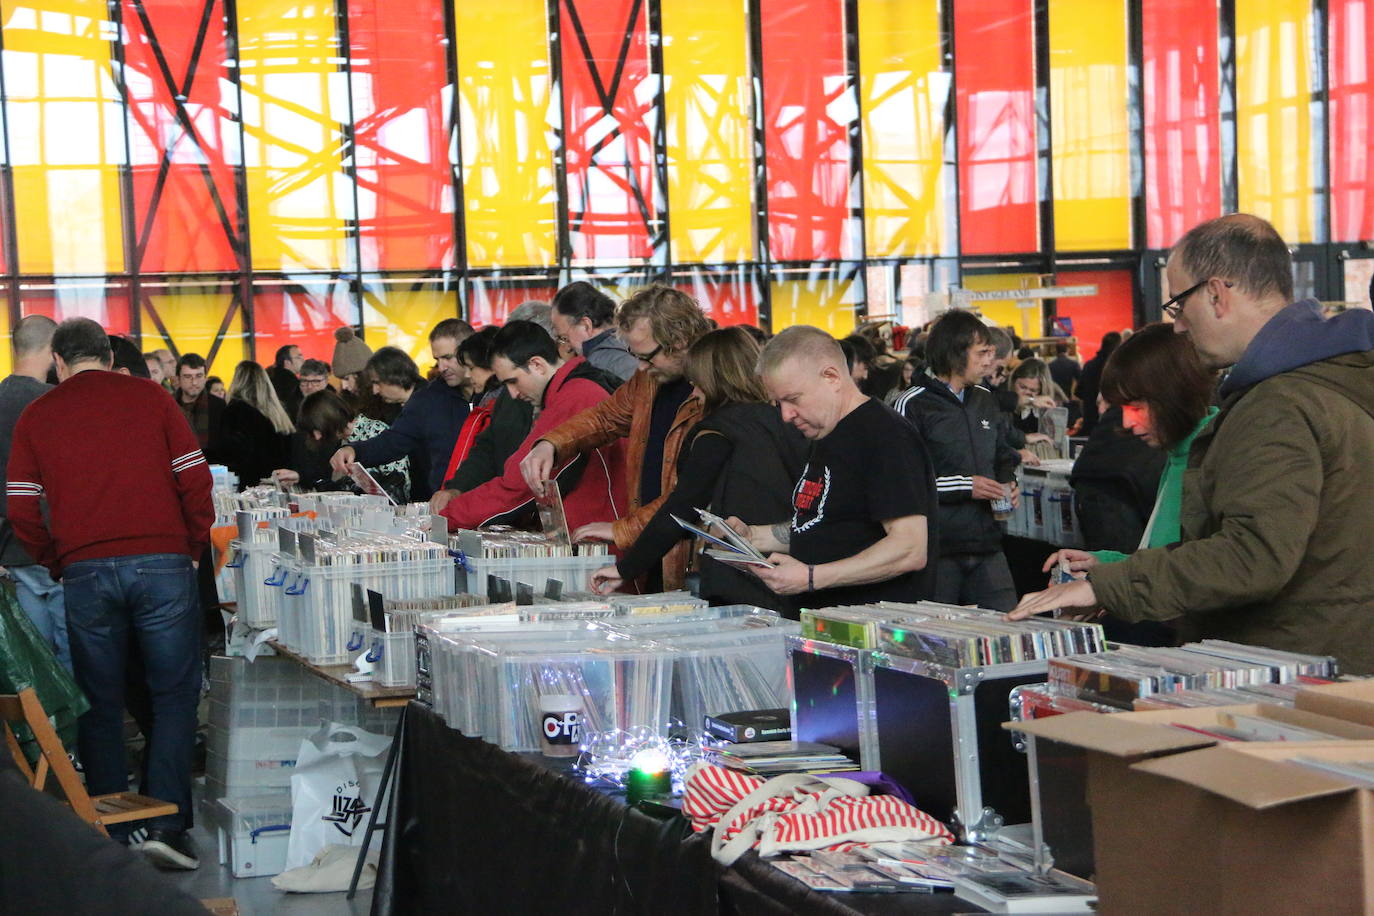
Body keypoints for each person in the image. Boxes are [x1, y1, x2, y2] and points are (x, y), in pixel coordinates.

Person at [1011, 213, 1374, 674]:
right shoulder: (1333, 381)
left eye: (1179, 306)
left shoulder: (1280, 402)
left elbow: (1252, 557)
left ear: (1217, 294)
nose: (1179, 327)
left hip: (1290, 674)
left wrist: (1104, 586)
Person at [6, 317, 213, 868]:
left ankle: (109, 831)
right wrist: (191, 545)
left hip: (85, 572)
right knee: (172, 696)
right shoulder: (152, 399)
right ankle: (166, 823)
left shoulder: (38, 414)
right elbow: (195, 479)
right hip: (164, 562)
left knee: (100, 700)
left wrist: (55, 559)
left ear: (59, 361)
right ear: (106, 353)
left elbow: (21, 504)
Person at [589, 328, 808, 615]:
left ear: (711, 381)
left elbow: (682, 507)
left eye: (696, 383)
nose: (693, 393)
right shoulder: (790, 421)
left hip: (742, 579)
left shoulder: (717, 432)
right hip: (797, 570)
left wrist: (626, 568)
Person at [720, 326, 937, 606]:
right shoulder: (827, 432)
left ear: (831, 377)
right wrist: (752, 537)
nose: (786, 415)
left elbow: (909, 549)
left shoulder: (884, 436)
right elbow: (825, 524)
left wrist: (811, 577)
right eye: (779, 403)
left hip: (871, 631)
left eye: (793, 399)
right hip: (830, 626)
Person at [519, 285, 711, 590]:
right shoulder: (649, 379)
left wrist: (624, 530)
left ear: (680, 341)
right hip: (652, 548)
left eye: (647, 356)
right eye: (636, 356)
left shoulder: (714, 390)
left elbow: (690, 494)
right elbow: (606, 416)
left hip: (692, 556)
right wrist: (550, 444)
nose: (641, 367)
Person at [1046, 324, 1215, 644]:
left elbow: (1202, 569)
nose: (1126, 423)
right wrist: (1104, 563)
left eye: (1136, 408)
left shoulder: (1207, 458)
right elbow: (1165, 558)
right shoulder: (1180, 455)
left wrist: (1107, 581)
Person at [439, 321, 625, 533]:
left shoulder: (576, 396)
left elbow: (519, 486)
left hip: (600, 546)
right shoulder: (574, 390)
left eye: (513, 381)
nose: (513, 394)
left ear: (537, 365)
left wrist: (446, 518)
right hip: (594, 537)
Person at [894, 311, 1020, 611]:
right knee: (934, 641)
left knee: (1009, 629)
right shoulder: (911, 404)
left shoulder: (984, 398)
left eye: (991, 352)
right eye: (983, 353)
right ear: (955, 354)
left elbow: (1002, 453)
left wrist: (1009, 483)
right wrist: (965, 486)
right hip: (937, 549)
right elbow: (901, 482)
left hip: (987, 541)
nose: (991, 361)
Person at [330, 318, 471, 500]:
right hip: (443, 505)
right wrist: (354, 450)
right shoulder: (428, 399)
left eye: (447, 357)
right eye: (437, 359)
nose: (442, 367)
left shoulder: (495, 394)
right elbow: (394, 441)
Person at [0, 316, 69, 671]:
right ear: (54, 350)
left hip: (12, 549)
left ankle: (47, 724)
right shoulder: (56, 403)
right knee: (75, 652)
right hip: (57, 544)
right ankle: (80, 726)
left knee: (37, 662)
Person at [431, 327, 535, 511]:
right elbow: (485, 450)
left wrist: (464, 504)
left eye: (472, 367)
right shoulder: (493, 401)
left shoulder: (511, 402)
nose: (469, 375)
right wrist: (457, 488)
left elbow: (501, 462)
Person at [275, 389, 410, 503]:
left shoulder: (377, 432)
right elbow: (326, 476)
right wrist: (300, 477)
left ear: (330, 419)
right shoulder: (337, 441)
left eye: (318, 429)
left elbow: (399, 488)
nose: (317, 437)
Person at [219, 361, 294, 488]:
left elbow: (230, 452)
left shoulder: (234, 411)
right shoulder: (278, 413)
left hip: (248, 485)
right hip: (279, 483)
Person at [550, 281, 639, 381]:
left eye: (565, 338)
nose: (567, 347)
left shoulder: (594, 368)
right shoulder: (635, 346)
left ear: (586, 326)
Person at [173, 353, 224, 463]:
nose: (194, 382)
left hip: (212, 468)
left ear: (205, 378)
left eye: (199, 376)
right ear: (178, 379)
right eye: (188, 376)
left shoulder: (219, 406)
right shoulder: (168, 405)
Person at [1074, 331, 1121, 434]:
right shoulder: (1118, 369)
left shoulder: (1089, 366)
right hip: (1112, 427)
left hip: (1089, 424)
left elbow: (1079, 394)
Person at [331, 326, 373, 404]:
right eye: (342, 380)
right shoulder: (343, 402)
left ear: (360, 377)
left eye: (346, 379)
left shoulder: (385, 401)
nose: (344, 386)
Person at [266, 344, 304, 419]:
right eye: (298, 357)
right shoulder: (290, 383)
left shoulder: (271, 378)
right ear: (287, 363)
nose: (303, 359)